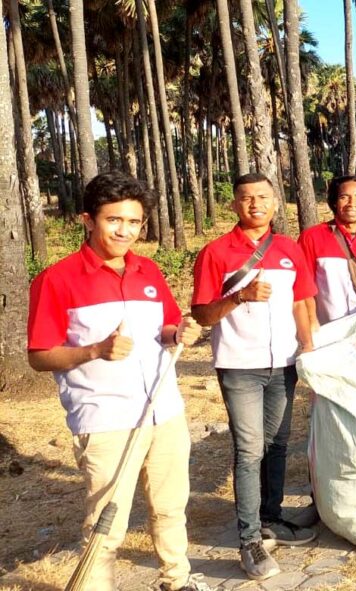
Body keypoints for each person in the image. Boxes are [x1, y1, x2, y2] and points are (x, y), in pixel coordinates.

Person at [27, 172, 209, 591]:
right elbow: (39, 355)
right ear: (88, 220)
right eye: (114, 220)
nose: (125, 231)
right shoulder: (57, 279)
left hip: (165, 411)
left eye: (134, 222)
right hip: (105, 418)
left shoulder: (148, 270)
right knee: (106, 523)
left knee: (170, 508)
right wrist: (95, 350)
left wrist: (177, 333)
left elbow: (165, 326)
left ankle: (176, 580)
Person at [191, 172, 318, 581]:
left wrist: (309, 346)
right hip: (238, 366)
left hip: (283, 363)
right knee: (249, 451)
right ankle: (248, 541)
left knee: (278, 444)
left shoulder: (288, 248)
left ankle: (271, 518)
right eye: (246, 198)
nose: (255, 204)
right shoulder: (216, 252)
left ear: (276, 204)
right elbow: (202, 315)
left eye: (263, 197)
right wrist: (239, 295)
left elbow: (302, 302)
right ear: (235, 205)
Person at [298, 175, 356, 326]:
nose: (352, 203)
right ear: (335, 202)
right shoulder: (312, 237)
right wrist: (311, 322)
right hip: (327, 329)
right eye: (344, 197)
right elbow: (303, 286)